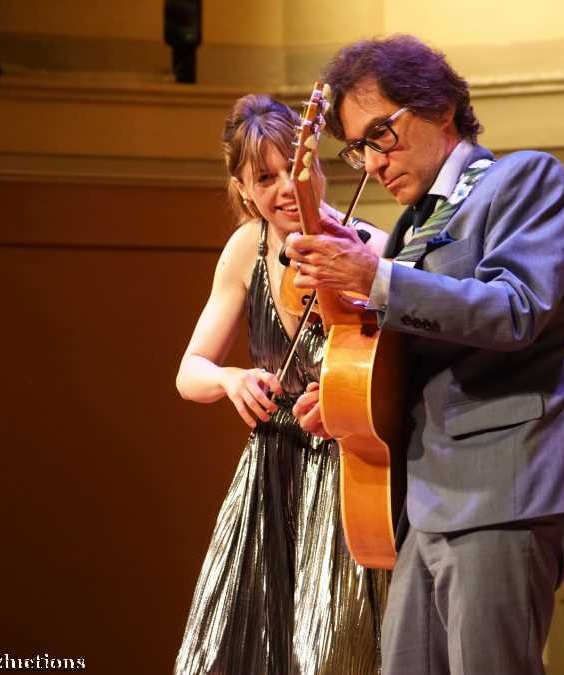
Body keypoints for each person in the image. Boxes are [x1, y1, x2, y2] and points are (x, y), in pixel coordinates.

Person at [286, 35, 564, 675]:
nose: (372, 164)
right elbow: (413, 352)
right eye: (357, 149)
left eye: (380, 135)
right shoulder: (409, 229)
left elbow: (516, 308)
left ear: (439, 107)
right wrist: (348, 396)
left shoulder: (524, 179)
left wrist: (375, 277)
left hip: (509, 481)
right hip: (428, 495)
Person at [173, 94, 389, 675]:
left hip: (345, 477)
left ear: (317, 164)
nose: (287, 189)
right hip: (269, 471)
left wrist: (345, 395)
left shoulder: (367, 249)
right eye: (265, 179)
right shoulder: (247, 248)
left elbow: (400, 377)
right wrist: (230, 378)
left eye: (295, 168)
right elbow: (189, 371)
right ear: (244, 190)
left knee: (330, 653)